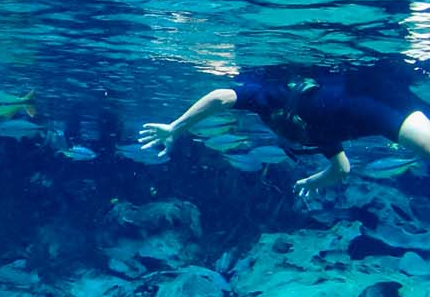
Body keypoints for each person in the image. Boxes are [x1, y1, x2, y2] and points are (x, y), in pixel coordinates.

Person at [138, 67, 430, 196]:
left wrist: (176, 127)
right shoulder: (318, 136)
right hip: (384, 104)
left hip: (382, 103)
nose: (298, 139)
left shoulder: (269, 98)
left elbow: (220, 96)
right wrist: (311, 182)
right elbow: (341, 168)